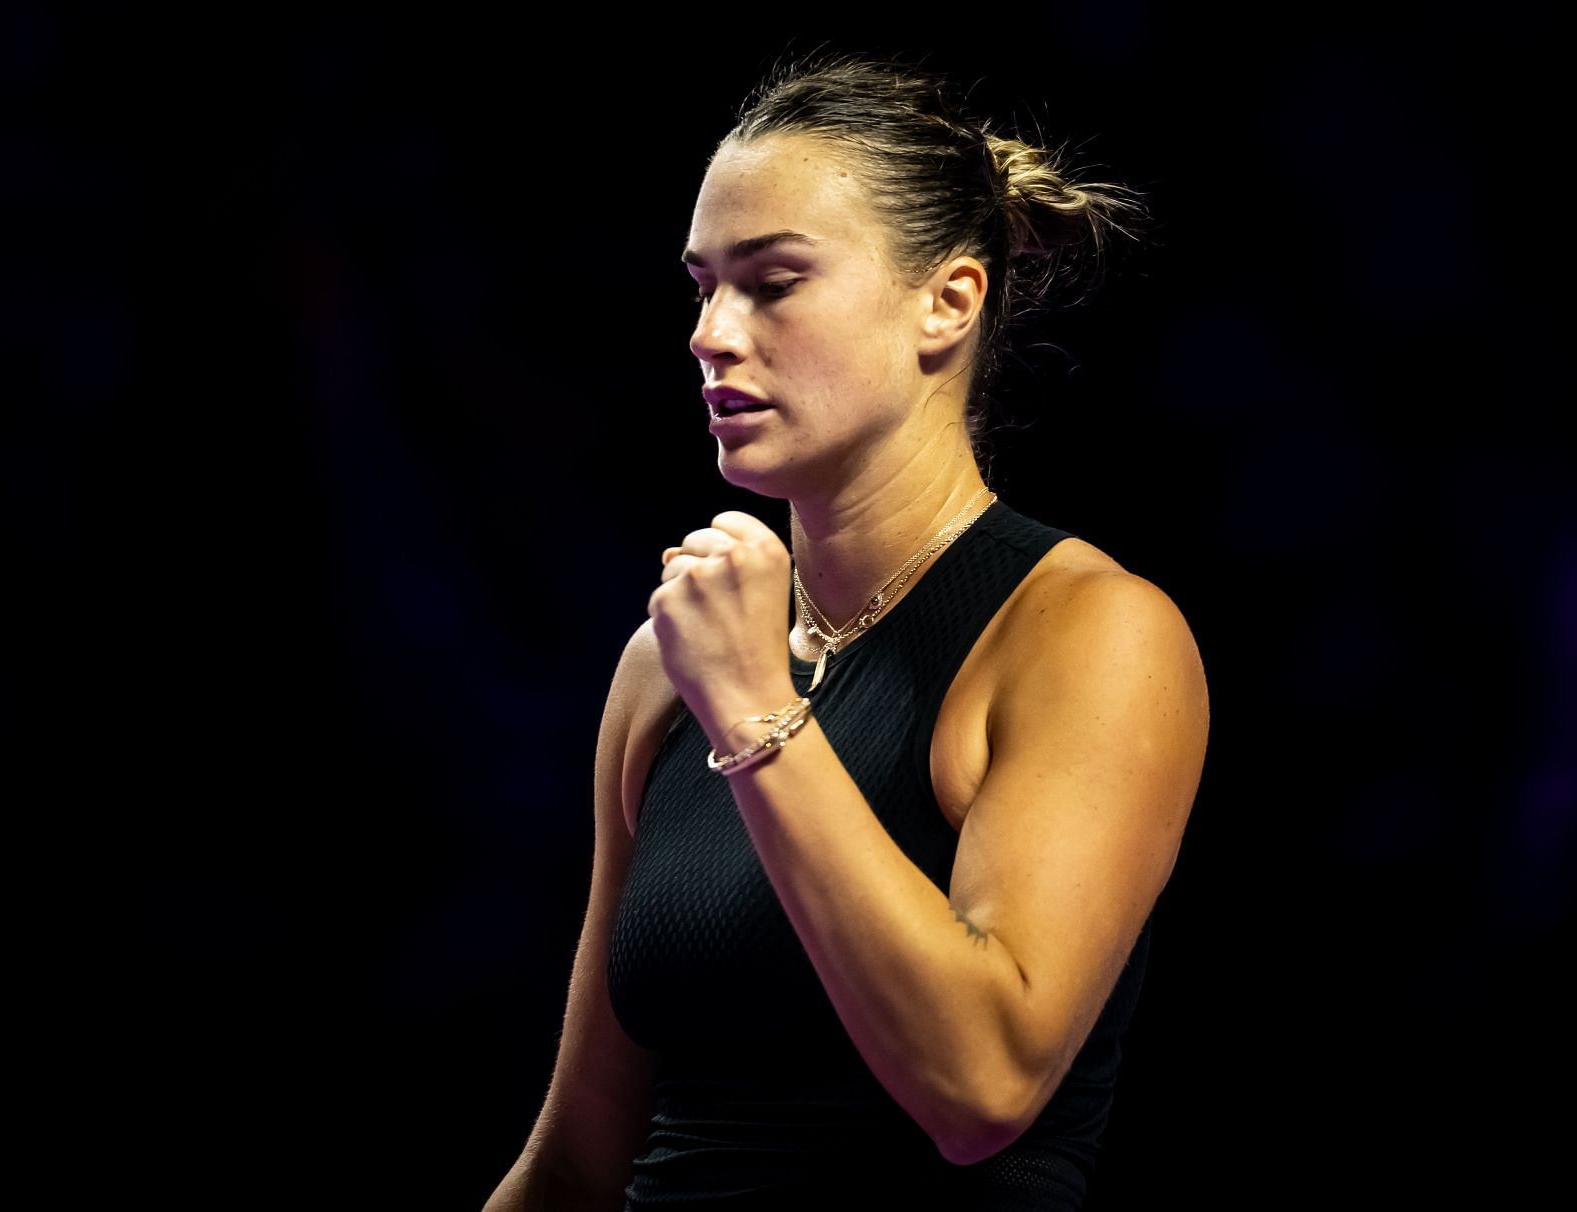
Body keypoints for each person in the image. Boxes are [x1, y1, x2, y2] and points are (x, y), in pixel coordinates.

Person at [486, 51, 1208, 1211]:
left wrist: (756, 712)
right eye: (702, 287)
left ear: (948, 302)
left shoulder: (1092, 633)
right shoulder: (665, 667)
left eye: (772, 283)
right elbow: (576, 1161)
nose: (711, 335)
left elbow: (982, 1087)